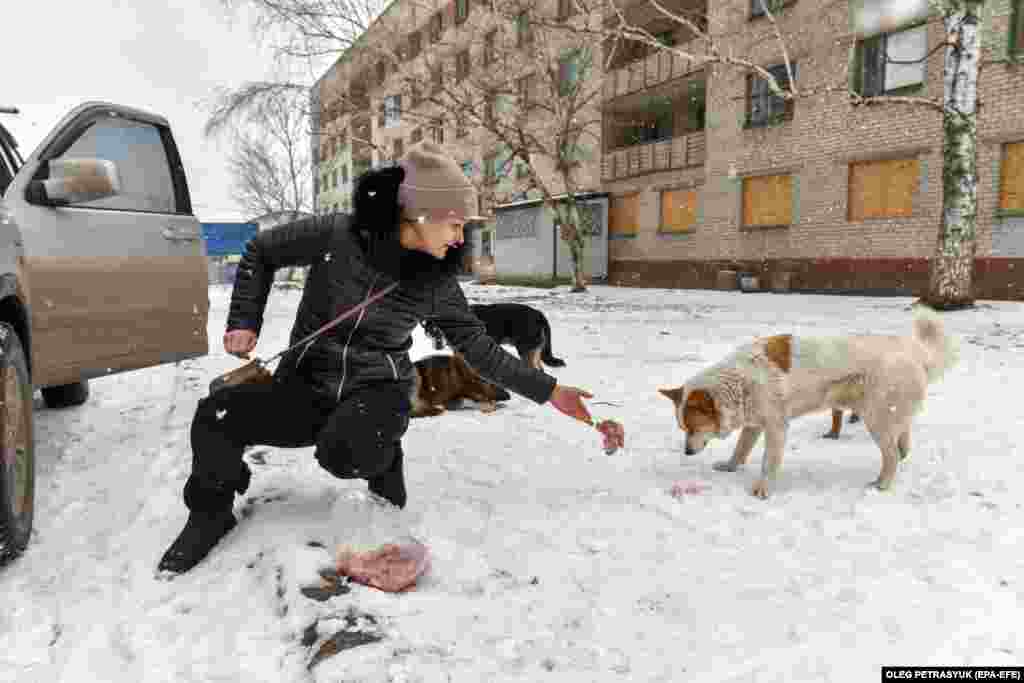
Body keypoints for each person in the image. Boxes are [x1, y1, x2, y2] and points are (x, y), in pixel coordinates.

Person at [157, 142, 598, 575]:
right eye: (455, 224)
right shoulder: (337, 234)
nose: (461, 238)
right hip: (306, 385)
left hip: (377, 391)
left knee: (345, 452)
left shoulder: (436, 283)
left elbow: (480, 349)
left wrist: (551, 391)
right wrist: (244, 320)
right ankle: (210, 514)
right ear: (419, 214)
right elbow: (261, 252)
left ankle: (383, 461)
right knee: (216, 414)